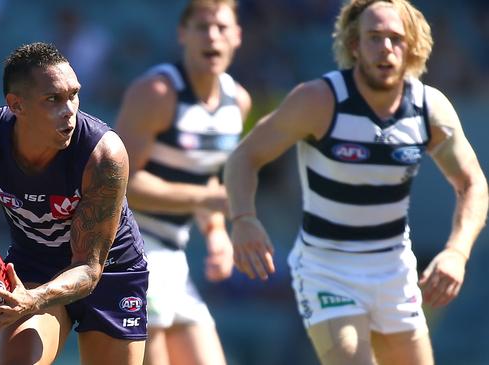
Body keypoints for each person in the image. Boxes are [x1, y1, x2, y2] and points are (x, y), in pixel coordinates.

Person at [223, 1, 488, 365]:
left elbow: (473, 183)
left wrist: (457, 252)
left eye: (395, 38)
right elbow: (244, 157)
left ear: (411, 45)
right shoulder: (319, 100)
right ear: (354, 45)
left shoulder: (429, 108)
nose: (386, 49)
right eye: (374, 38)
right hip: (328, 269)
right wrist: (243, 219)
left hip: (393, 270)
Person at [0, 42, 148, 365]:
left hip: (111, 271)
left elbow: (89, 269)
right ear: (16, 105)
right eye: (53, 99)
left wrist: (32, 299)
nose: (69, 110)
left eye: (73, 95)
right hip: (33, 267)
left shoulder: (103, 156)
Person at [114, 1, 250, 364]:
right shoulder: (157, 92)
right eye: (202, 27)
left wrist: (216, 233)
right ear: (182, 35)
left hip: (174, 255)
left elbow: (208, 177)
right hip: (130, 252)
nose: (212, 37)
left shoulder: (238, 103)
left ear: (237, 36)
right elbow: (118, 186)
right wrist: (210, 201)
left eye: (222, 28)